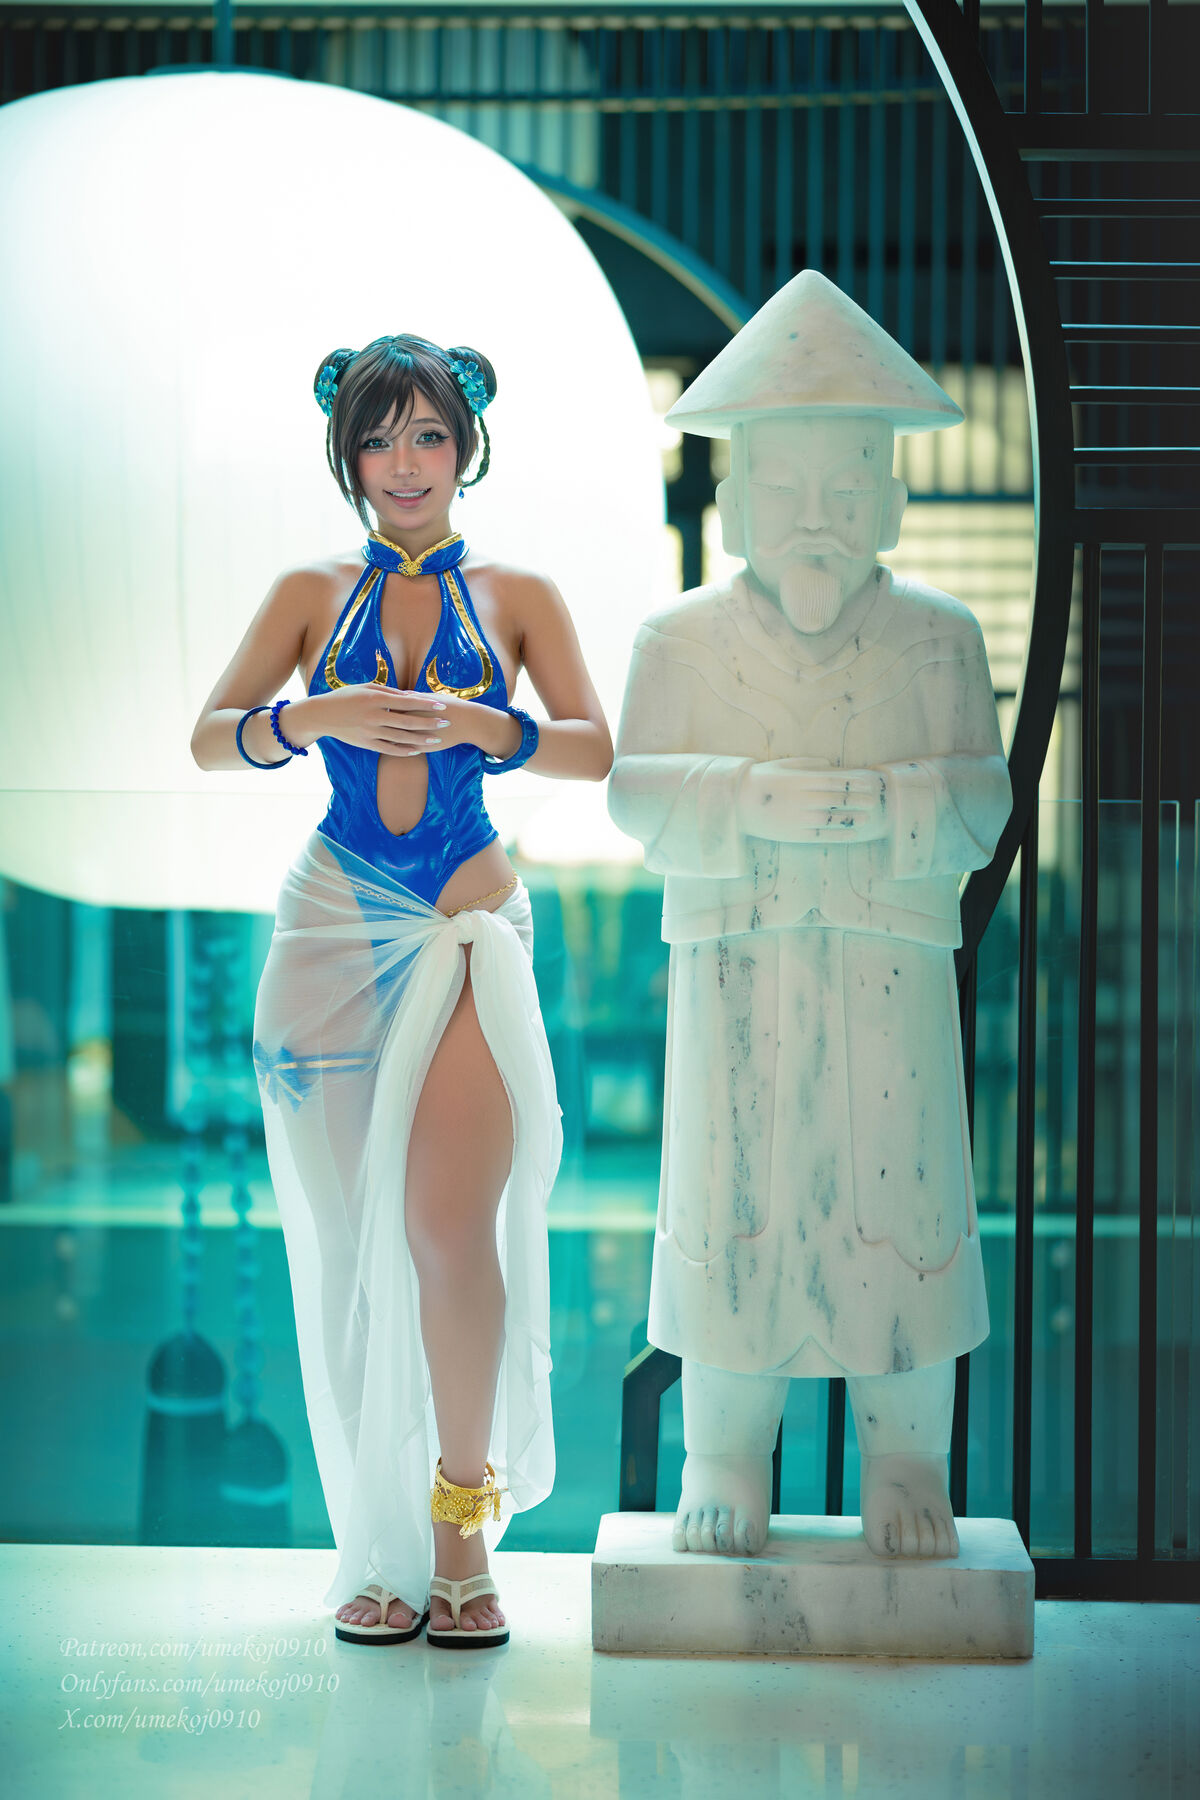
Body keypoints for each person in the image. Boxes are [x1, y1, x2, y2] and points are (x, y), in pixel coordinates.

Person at [190, 333, 612, 1645]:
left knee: (447, 1234)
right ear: (347, 453)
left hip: (468, 930)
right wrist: (310, 719)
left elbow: (597, 749)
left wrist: (499, 729)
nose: (404, 462)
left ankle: (459, 1537)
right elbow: (210, 740)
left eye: (428, 434)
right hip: (327, 936)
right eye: (378, 439)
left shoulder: (522, 592)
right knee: (353, 1248)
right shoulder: (308, 591)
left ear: (467, 443)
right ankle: (376, 1548)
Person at [608, 271, 1012, 1563]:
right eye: (786, 491)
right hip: (739, 959)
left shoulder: (939, 638)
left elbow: (983, 799)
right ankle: (723, 1450)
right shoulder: (679, 641)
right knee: (735, 1197)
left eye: (849, 488)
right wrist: (751, 797)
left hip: (889, 969)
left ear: (893, 501)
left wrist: (885, 807)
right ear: (734, 506)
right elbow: (633, 792)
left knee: (904, 1206)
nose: (819, 519)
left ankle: (909, 1459)